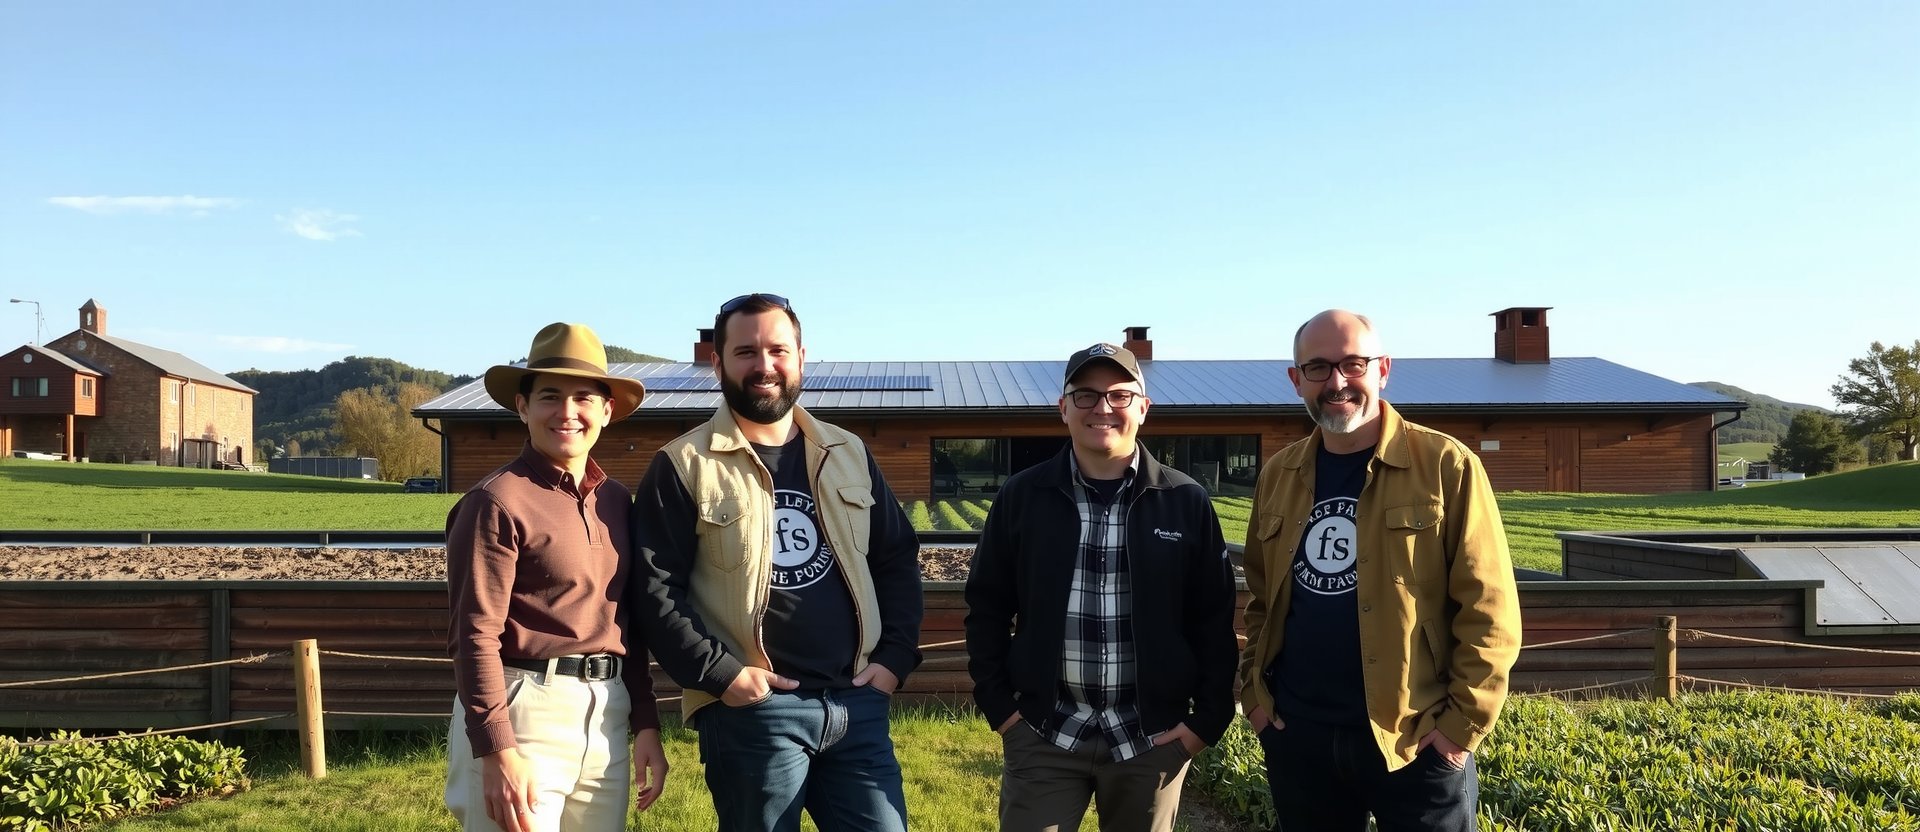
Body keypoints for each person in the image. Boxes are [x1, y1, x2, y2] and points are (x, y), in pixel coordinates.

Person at [631, 293, 924, 832]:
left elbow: (896, 560)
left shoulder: (849, 453)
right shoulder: (683, 464)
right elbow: (655, 589)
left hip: (857, 701)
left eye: (777, 350)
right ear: (717, 362)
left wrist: (896, 658)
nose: (764, 365)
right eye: (745, 352)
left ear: (800, 357)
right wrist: (721, 676)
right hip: (753, 712)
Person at [1238, 309, 1522, 832]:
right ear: (1296, 379)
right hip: (1300, 739)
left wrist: (1458, 731)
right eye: (1318, 368)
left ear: (1383, 369)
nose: (1337, 382)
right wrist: (1257, 702)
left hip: (1414, 741)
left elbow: (1490, 611)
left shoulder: (1446, 465)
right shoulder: (1279, 474)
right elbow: (1261, 601)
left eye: (1353, 364)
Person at [965, 342, 1239, 832]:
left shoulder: (1185, 500)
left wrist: (1205, 723)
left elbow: (1213, 618)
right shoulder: (1022, 496)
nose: (1103, 408)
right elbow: (987, 606)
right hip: (1045, 732)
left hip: (1151, 739)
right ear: (1063, 408)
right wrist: (1002, 709)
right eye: (1086, 395)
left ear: (1143, 407)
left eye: (1119, 395)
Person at [445, 322, 668, 832]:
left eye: (583, 397)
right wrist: (497, 749)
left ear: (606, 411)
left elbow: (626, 623)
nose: (567, 412)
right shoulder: (495, 501)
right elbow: (473, 635)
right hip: (523, 710)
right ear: (523, 407)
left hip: (607, 711)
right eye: (550, 396)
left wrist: (645, 721)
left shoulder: (616, 501)